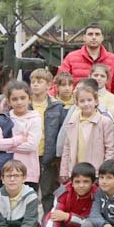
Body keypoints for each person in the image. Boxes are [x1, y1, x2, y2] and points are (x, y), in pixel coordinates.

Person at [58, 24, 114, 112]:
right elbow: (58, 83)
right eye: (90, 34)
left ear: (102, 37)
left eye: (97, 34)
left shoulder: (112, 59)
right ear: (84, 37)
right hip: (77, 109)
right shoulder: (71, 57)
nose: (94, 37)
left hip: (105, 110)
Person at [0, 81, 42, 190]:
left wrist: (6, 146)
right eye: (14, 99)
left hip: (28, 172)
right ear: (8, 101)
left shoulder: (35, 119)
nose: (19, 102)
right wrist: (17, 140)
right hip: (7, 172)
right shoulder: (4, 119)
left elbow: (31, 146)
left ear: (29, 98)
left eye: (23, 98)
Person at [28, 68, 67, 214]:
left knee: (47, 193)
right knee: (29, 194)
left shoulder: (57, 107)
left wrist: (58, 156)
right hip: (28, 155)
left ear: (49, 85)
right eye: (33, 82)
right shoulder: (25, 104)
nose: (35, 85)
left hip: (47, 157)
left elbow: (62, 133)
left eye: (39, 82)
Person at [59, 83, 114, 180]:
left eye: (89, 100)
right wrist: (64, 170)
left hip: (97, 171)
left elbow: (110, 148)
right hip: (76, 170)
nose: (86, 104)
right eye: (82, 101)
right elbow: (67, 148)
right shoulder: (73, 122)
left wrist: (107, 170)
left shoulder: (104, 122)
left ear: (96, 101)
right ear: (77, 103)